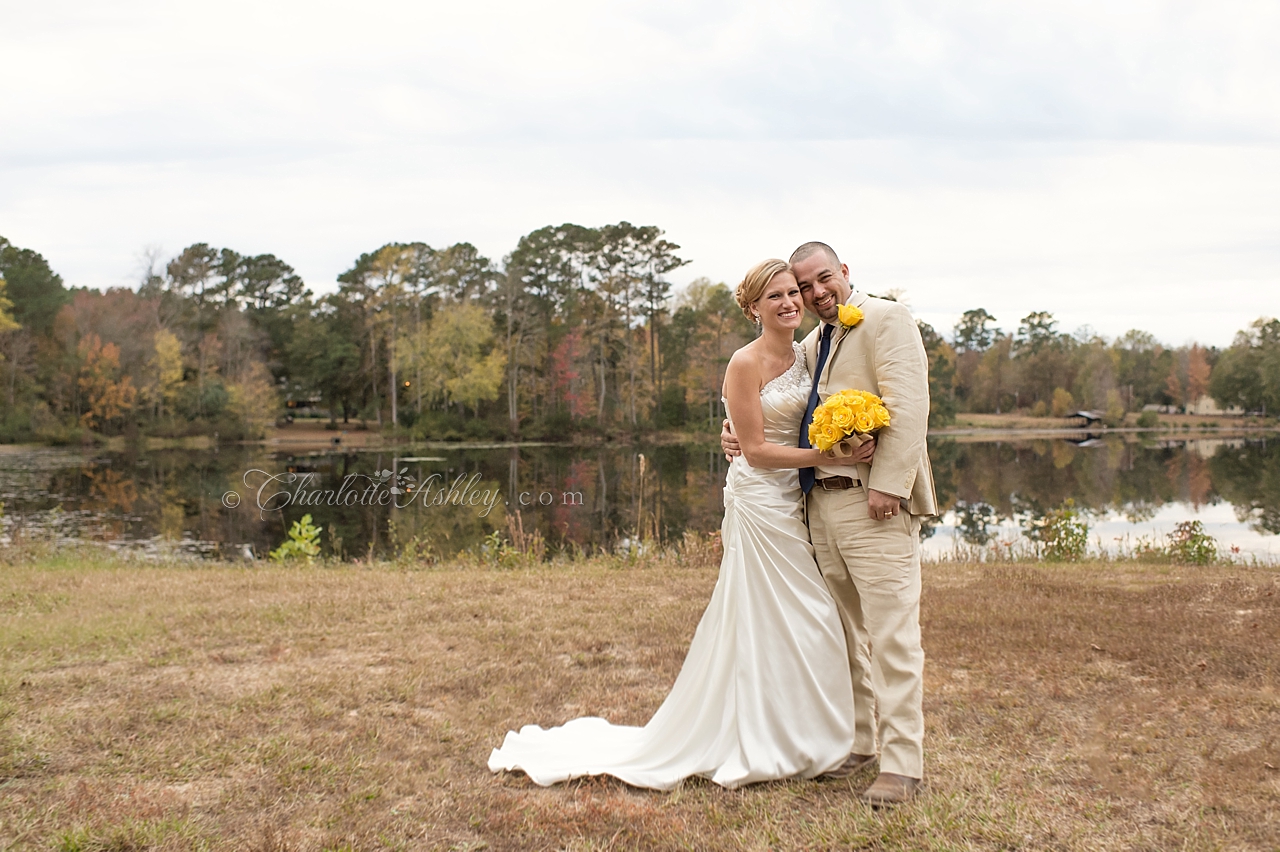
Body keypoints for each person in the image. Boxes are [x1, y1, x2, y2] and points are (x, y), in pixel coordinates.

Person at [488, 259, 875, 790]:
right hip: (762, 503)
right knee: (778, 613)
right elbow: (758, 452)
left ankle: (810, 731)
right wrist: (829, 456)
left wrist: (830, 443)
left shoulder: (810, 351)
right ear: (753, 308)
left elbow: (789, 421)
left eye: (792, 293)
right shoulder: (745, 362)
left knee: (807, 616)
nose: (788, 303)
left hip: (797, 500)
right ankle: (765, 737)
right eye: (774, 297)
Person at [722, 241, 937, 806]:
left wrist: (890, 485)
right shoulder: (813, 341)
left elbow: (910, 408)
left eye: (821, 280)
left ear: (844, 272)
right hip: (817, 506)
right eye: (801, 286)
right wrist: (735, 437)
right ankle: (860, 745)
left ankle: (902, 763)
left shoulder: (888, 319)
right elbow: (779, 411)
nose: (814, 294)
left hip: (873, 502)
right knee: (844, 635)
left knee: (891, 634)